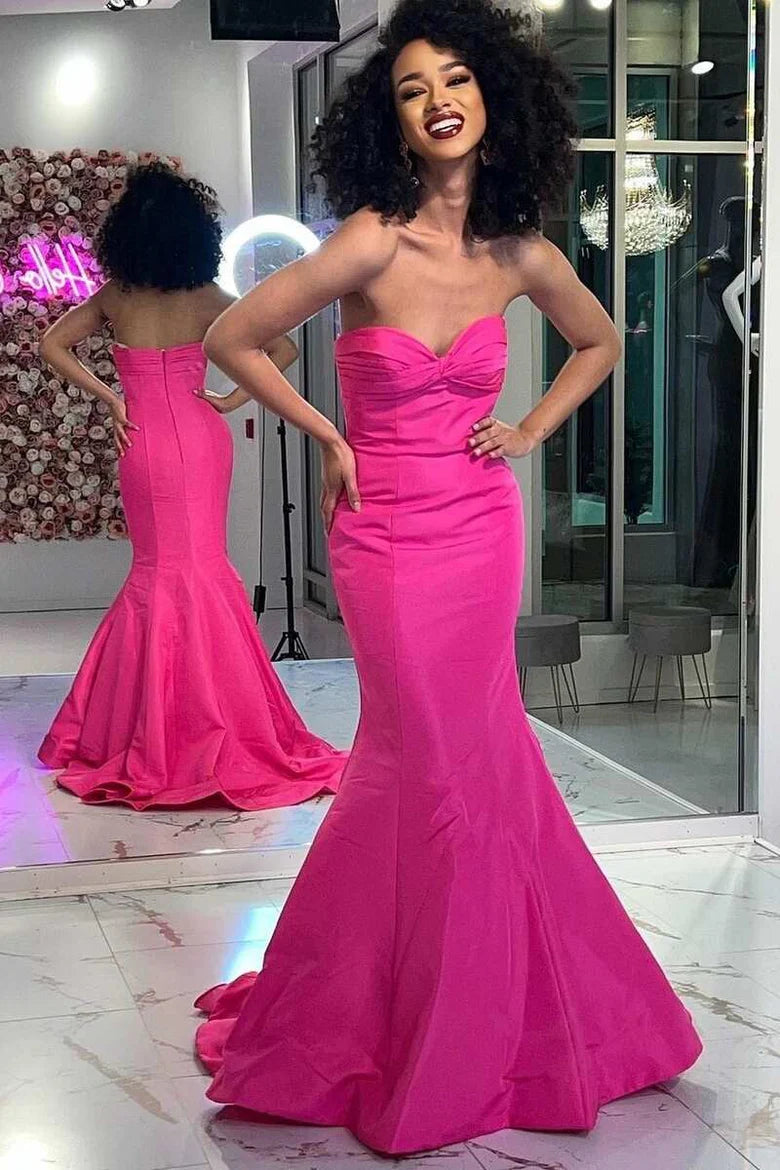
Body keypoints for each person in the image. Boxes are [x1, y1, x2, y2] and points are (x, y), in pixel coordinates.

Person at [194, 0, 702, 1154]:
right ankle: (392, 1005)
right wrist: (325, 432)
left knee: (478, 759)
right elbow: (231, 340)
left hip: (478, 527)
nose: (438, 101)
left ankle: (498, 1006)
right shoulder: (371, 241)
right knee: (418, 761)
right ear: (393, 118)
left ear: (496, 98)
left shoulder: (520, 252)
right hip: (383, 534)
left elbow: (601, 341)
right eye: (413, 87)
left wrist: (529, 430)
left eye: (458, 79)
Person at [38, 162, 347, 809]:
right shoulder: (209, 298)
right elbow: (282, 350)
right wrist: (231, 399)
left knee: (155, 572)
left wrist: (110, 398)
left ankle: (142, 726)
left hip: (142, 441)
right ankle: (216, 716)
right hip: (203, 440)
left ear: (127, 231)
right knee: (202, 568)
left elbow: (52, 345)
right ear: (192, 231)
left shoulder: (117, 297)